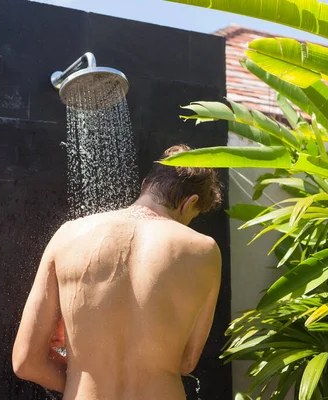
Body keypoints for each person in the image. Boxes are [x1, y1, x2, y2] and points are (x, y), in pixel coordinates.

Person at [12, 144, 223, 399]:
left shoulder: (67, 235)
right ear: (190, 203)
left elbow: (26, 362)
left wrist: (82, 378)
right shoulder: (205, 251)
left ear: (146, 185)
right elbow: (186, 362)